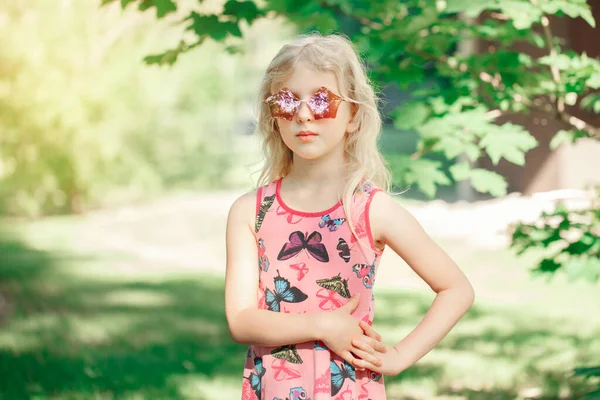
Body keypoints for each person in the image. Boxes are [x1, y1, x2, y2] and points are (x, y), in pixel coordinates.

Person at [225, 32, 475, 400]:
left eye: (323, 100)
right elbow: (241, 320)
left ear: (353, 115)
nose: (304, 114)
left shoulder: (371, 210)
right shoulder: (250, 211)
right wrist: (322, 324)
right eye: (287, 101)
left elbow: (456, 289)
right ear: (273, 114)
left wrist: (398, 357)